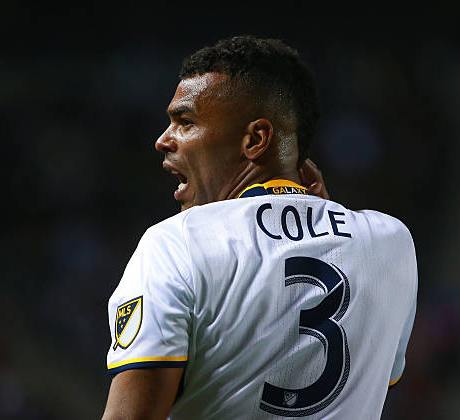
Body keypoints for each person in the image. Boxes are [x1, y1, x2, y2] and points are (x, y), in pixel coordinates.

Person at [101, 35, 417, 420]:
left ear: (256, 139)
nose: (163, 140)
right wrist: (318, 216)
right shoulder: (390, 242)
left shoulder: (175, 243)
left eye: (185, 122)